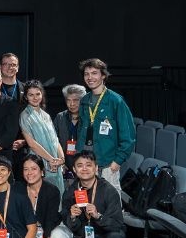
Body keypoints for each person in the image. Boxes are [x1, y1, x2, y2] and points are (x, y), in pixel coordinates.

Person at [56, 151, 126, 238]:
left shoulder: (108, 190)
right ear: (74, 169)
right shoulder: (70, 191)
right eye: (80, 165)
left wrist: (98, 216)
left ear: (96, 168)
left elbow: (117, 224)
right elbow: (69, 223)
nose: (84, 169)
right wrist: (72, 216)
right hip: (86, 236)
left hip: (106, 233)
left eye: (88, 165)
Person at [75, 58, 135, 193]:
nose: (90, 77)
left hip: (107, 163)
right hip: (86, 162)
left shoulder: (115, 101)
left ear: (103, 75)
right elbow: (81, 131)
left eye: (94, 73)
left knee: (110, 201)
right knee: (89, 200)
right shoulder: (84, 100)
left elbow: (128, 135)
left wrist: (117, 161)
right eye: (86, 74)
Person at [19, 79, 66, 194]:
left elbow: (55, 140)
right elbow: (32, 144)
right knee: (42, 196)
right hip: (38, 162)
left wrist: (61, 159)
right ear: (26, 97)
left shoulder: (46, 115)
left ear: (42, 94)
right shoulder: (24, 115)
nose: (35, 98)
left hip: (55, 163)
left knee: (58, 195)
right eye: (31, 95)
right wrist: (51, 160)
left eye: (37, 94)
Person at [54, 84, 86, 175]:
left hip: (84, 164)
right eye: (68, 100)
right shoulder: (60, 117)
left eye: (75, 100)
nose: (72, 104)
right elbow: (53, 141)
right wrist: (60, 161)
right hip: (64, 163)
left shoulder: (88, 118)